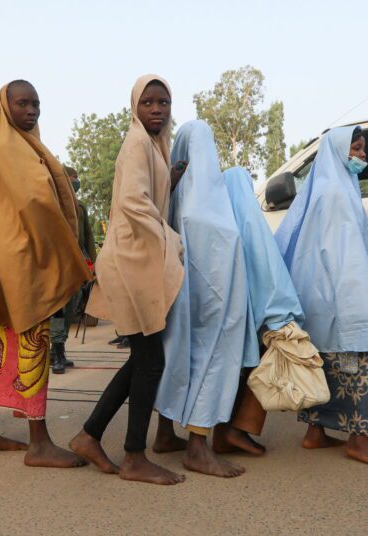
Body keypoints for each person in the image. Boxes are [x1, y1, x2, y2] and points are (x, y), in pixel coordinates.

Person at [69, 75, 187, 485]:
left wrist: (169, 180)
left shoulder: (154, 146)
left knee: (143, 358)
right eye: (148, 103)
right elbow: (133, 201)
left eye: (164, 102)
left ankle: (89, 435)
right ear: (134, 107)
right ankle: (134, 456)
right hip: (129, 261)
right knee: (150, 360)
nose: (156, 109)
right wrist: (171, 238)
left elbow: (144, 193)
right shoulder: (136, 143)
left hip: (135, 261)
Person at [0, 80, 91, 468]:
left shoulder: (4, 149)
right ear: (6, 107)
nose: (31, 110)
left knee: (2, 346)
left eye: (36, 103)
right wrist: (67, 252)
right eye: (23, 103)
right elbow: (38, 203)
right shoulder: (11, 150)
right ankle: (38, 441)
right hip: (24, 261)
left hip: (7, 260)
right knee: (33, 343)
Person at [275, 126, 368, 467]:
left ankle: (315, 432)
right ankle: (360, 439)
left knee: (324, 365)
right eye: (358, 148)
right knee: (359, 366)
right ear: (339, 150)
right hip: (345, 296)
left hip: (321, 298)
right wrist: (363, 296)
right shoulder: (336, 192)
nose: (363, 156)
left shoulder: (324, 187)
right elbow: (346, 253)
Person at [153, 120, 249, 478]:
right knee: (211, 360)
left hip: (175, 302)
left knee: (173, 358)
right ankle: (197, 447)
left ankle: (164, 433)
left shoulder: (172, 197)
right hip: (212, 309)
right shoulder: (211, 209)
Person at [213, 166, 319, 455]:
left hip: (227, 314)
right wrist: (284, 313)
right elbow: (269, 271)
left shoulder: (219, 220)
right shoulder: (250, 221)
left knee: (234, 370)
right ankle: (236, 431)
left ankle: (225, 433)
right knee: (257, 364)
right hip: (256, 313)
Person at [50, 165, 97, 374]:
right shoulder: (52, 206)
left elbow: (87, 237)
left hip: (75, 267)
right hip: (56, 267)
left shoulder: (80, 207)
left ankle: (58, 349)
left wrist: (94, 264)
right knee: (58, 311)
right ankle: (57, 353)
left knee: (73, 306)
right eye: (73, 178)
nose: (76, 182)